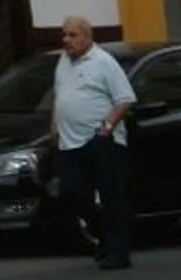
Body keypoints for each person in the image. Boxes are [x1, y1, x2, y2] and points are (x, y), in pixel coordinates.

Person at [54, 15, 137, 270]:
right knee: (73, 193)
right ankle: (102, 236)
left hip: (100, 139)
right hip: (69, 143)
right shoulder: (63, 61)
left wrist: (108, 127)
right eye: (64, 34)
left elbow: (125, 98)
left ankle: (118, 252)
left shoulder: (104, 62)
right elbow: (60, 96)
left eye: (73, 35)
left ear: (88, 38)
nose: (66, 40)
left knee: (111, 195)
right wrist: (54, 127)